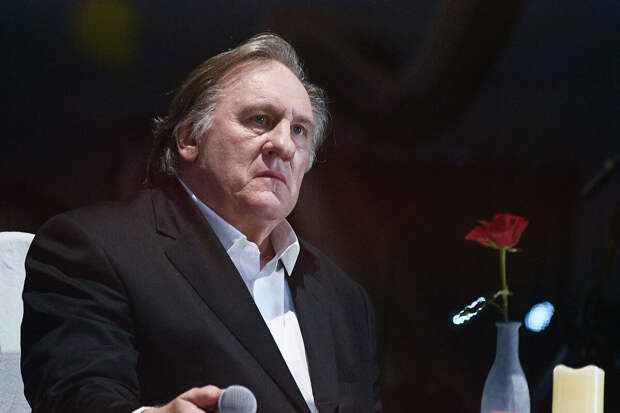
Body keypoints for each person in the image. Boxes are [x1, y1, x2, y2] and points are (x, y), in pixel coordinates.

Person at [21, 33, 382, 413]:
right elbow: (75, 395)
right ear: (189, 139)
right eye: (260, 120)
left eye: (299, 130)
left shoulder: (345, 299)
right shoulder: (93, 248)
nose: (284, 145)